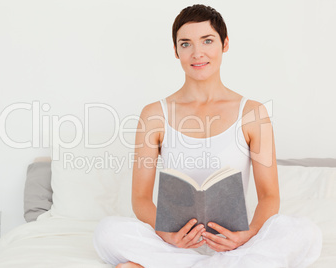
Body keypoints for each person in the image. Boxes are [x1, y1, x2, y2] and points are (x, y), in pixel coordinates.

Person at [93, 4, 322, 268]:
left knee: (305, 233)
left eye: (207, 40)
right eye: (186, 44)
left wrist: (246, 235)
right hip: (174, 244)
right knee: (107, 231)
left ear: (225, 44)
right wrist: (166, 235)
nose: (197, 53)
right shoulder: (154, 114)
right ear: (176, 51)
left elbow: (269, 196)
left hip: (233, 243)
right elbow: (141, 198)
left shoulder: (253, 113)